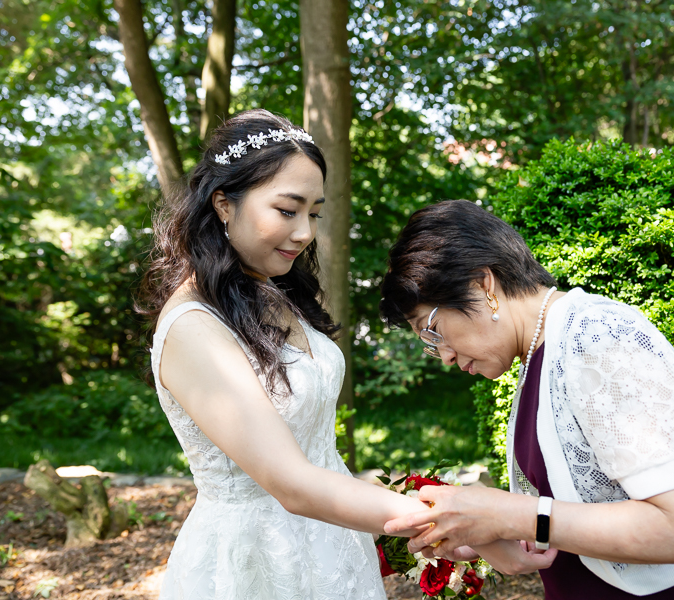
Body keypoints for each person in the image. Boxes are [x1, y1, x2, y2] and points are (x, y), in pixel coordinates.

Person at [139, 111, 554, 600]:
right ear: (224, 204)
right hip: (255, 564)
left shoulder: (271, 293)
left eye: (313, 213)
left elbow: (322, 462)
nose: (304, 233)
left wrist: (417, 528)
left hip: (333, 546)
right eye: (287, 210)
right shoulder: (193, 326)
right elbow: (292, 483)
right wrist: (457, 524)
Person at [378, 200, 674, 599]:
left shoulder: (599, 336)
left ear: (483, 286)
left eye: (433, 329)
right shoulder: (538, 356)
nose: (443, 355)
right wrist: (484, 532)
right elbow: (572, 515)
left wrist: (514, 515)